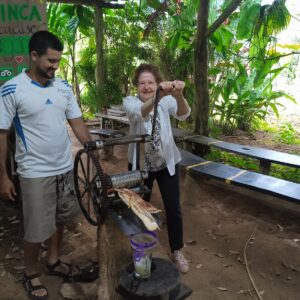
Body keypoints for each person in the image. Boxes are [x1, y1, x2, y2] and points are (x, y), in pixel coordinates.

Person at [0, 31, 97, 300]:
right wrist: (3, 176)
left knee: (60, 218)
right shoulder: (12, 89)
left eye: (57, 61)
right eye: (50, 61)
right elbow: (0, 134)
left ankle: (53, 261)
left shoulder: (63, 87)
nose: (55, 66)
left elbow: (77, 123)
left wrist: (95, 155)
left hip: (63, 168)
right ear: (34, 56)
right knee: (35, 227)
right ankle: (30, 273)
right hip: (34, 172)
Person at [123, 64, 191, 273]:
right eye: (142, 83)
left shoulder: (166, 101)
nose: (146, 87)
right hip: (140, 165)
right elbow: (140, 114)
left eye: (150, 82)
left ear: (156, 83)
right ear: (136, 86)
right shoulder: (130, 102)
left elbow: (183, 114)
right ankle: (140, 249)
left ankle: (176, 250)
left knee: (173, 207)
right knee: (140, 209)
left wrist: (178, 95)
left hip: (166, 163)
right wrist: (157, 96)